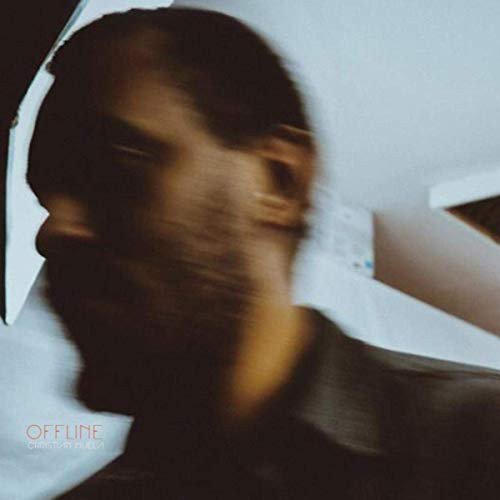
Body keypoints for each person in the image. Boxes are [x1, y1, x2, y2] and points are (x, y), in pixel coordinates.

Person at [27, 7, 500, 499]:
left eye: (116, 164)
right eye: (45, 198)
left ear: (279, 180)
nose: (53, 231)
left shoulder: (481, 447)